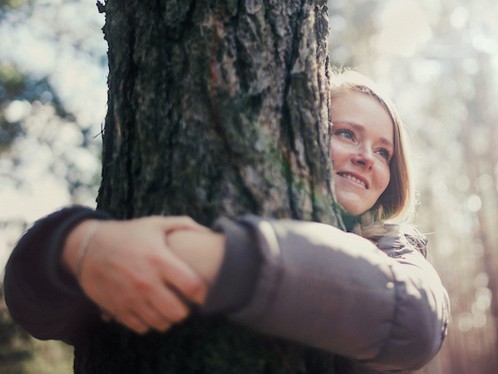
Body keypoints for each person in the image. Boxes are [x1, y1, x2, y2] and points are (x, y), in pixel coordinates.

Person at [3, 70, 449, 373]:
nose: (366, 158)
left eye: (384, 152)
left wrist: (213, 259)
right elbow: (34, 307)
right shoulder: (145, 202)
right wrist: (79, 245)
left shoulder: (395, 250)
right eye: (345, 133)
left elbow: (416, 323)